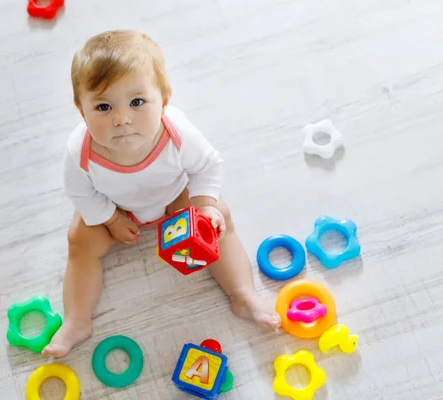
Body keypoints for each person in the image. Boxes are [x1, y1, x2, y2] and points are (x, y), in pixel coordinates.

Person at [42, 30, 280, 358]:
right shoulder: (79, 150)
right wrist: (110, 219)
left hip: (174, 196)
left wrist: (204, 206)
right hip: (116, 207)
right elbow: (80, 193)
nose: (122, 119)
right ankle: (77, 319)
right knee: (79, 240)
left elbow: (207, 166)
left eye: (137, 102)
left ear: (164, 100)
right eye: (103, 106)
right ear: (81, 109)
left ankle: (242, 294)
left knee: (219, 218)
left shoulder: (177, 133)